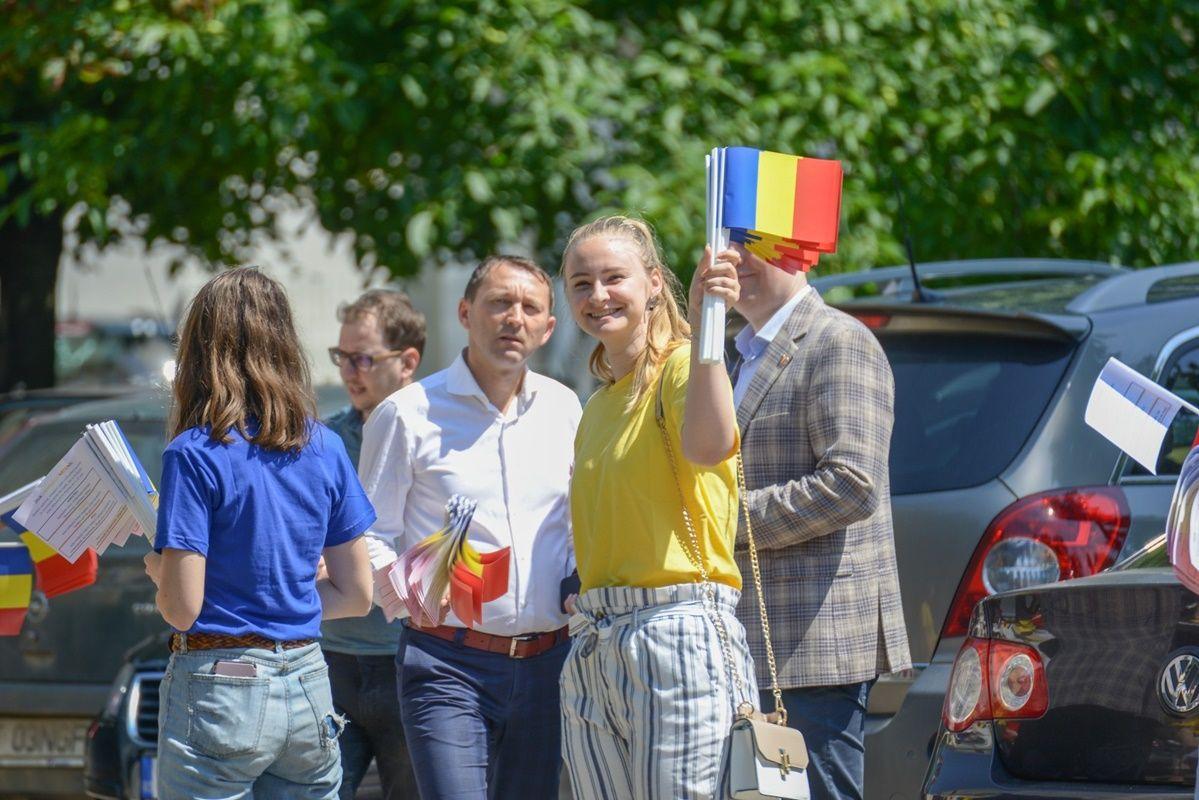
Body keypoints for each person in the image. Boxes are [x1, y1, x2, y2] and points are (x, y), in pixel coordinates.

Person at [144, 267, 375, 800]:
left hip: (218, 685)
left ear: (200, 353)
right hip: (309, 683)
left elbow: (181, 608)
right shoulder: (325, 446)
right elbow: (356, 595)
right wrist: (280, 601)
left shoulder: (193, 453)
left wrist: (158, 571)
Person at [360, 255, 581, 799]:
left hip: (548, 665)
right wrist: (410, 595)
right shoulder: (407, 414)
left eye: (530, 308)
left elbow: (577, 524)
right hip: (446, 663)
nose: (515, 318)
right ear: (465, 312)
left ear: (548, 327)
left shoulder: (565, 408)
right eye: (499, 303)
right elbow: (368, 533)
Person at [559, 215, 757, 799]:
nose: (597, 295)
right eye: (580, 283)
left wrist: (706, 328)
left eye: (613, 278)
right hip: (595, 640)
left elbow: (710, 445)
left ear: (652, 284)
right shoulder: (597, 406)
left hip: (675, 632)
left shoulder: (683, 365)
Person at [729, 243, 911, 800]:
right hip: (746, 642)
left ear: (798, 252)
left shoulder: (838, 340)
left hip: (816, 645)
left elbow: (852, 485)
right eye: (726, 244)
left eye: (751, 245)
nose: (734, 259)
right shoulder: (735, 354)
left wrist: (724, 523)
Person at [323, 289, 424, 800]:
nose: (349, 371)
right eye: (341, 356)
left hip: (409, 659)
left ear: (407, 362)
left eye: (363, 358)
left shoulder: (438, 434)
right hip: (330, 661)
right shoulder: (323, 441)